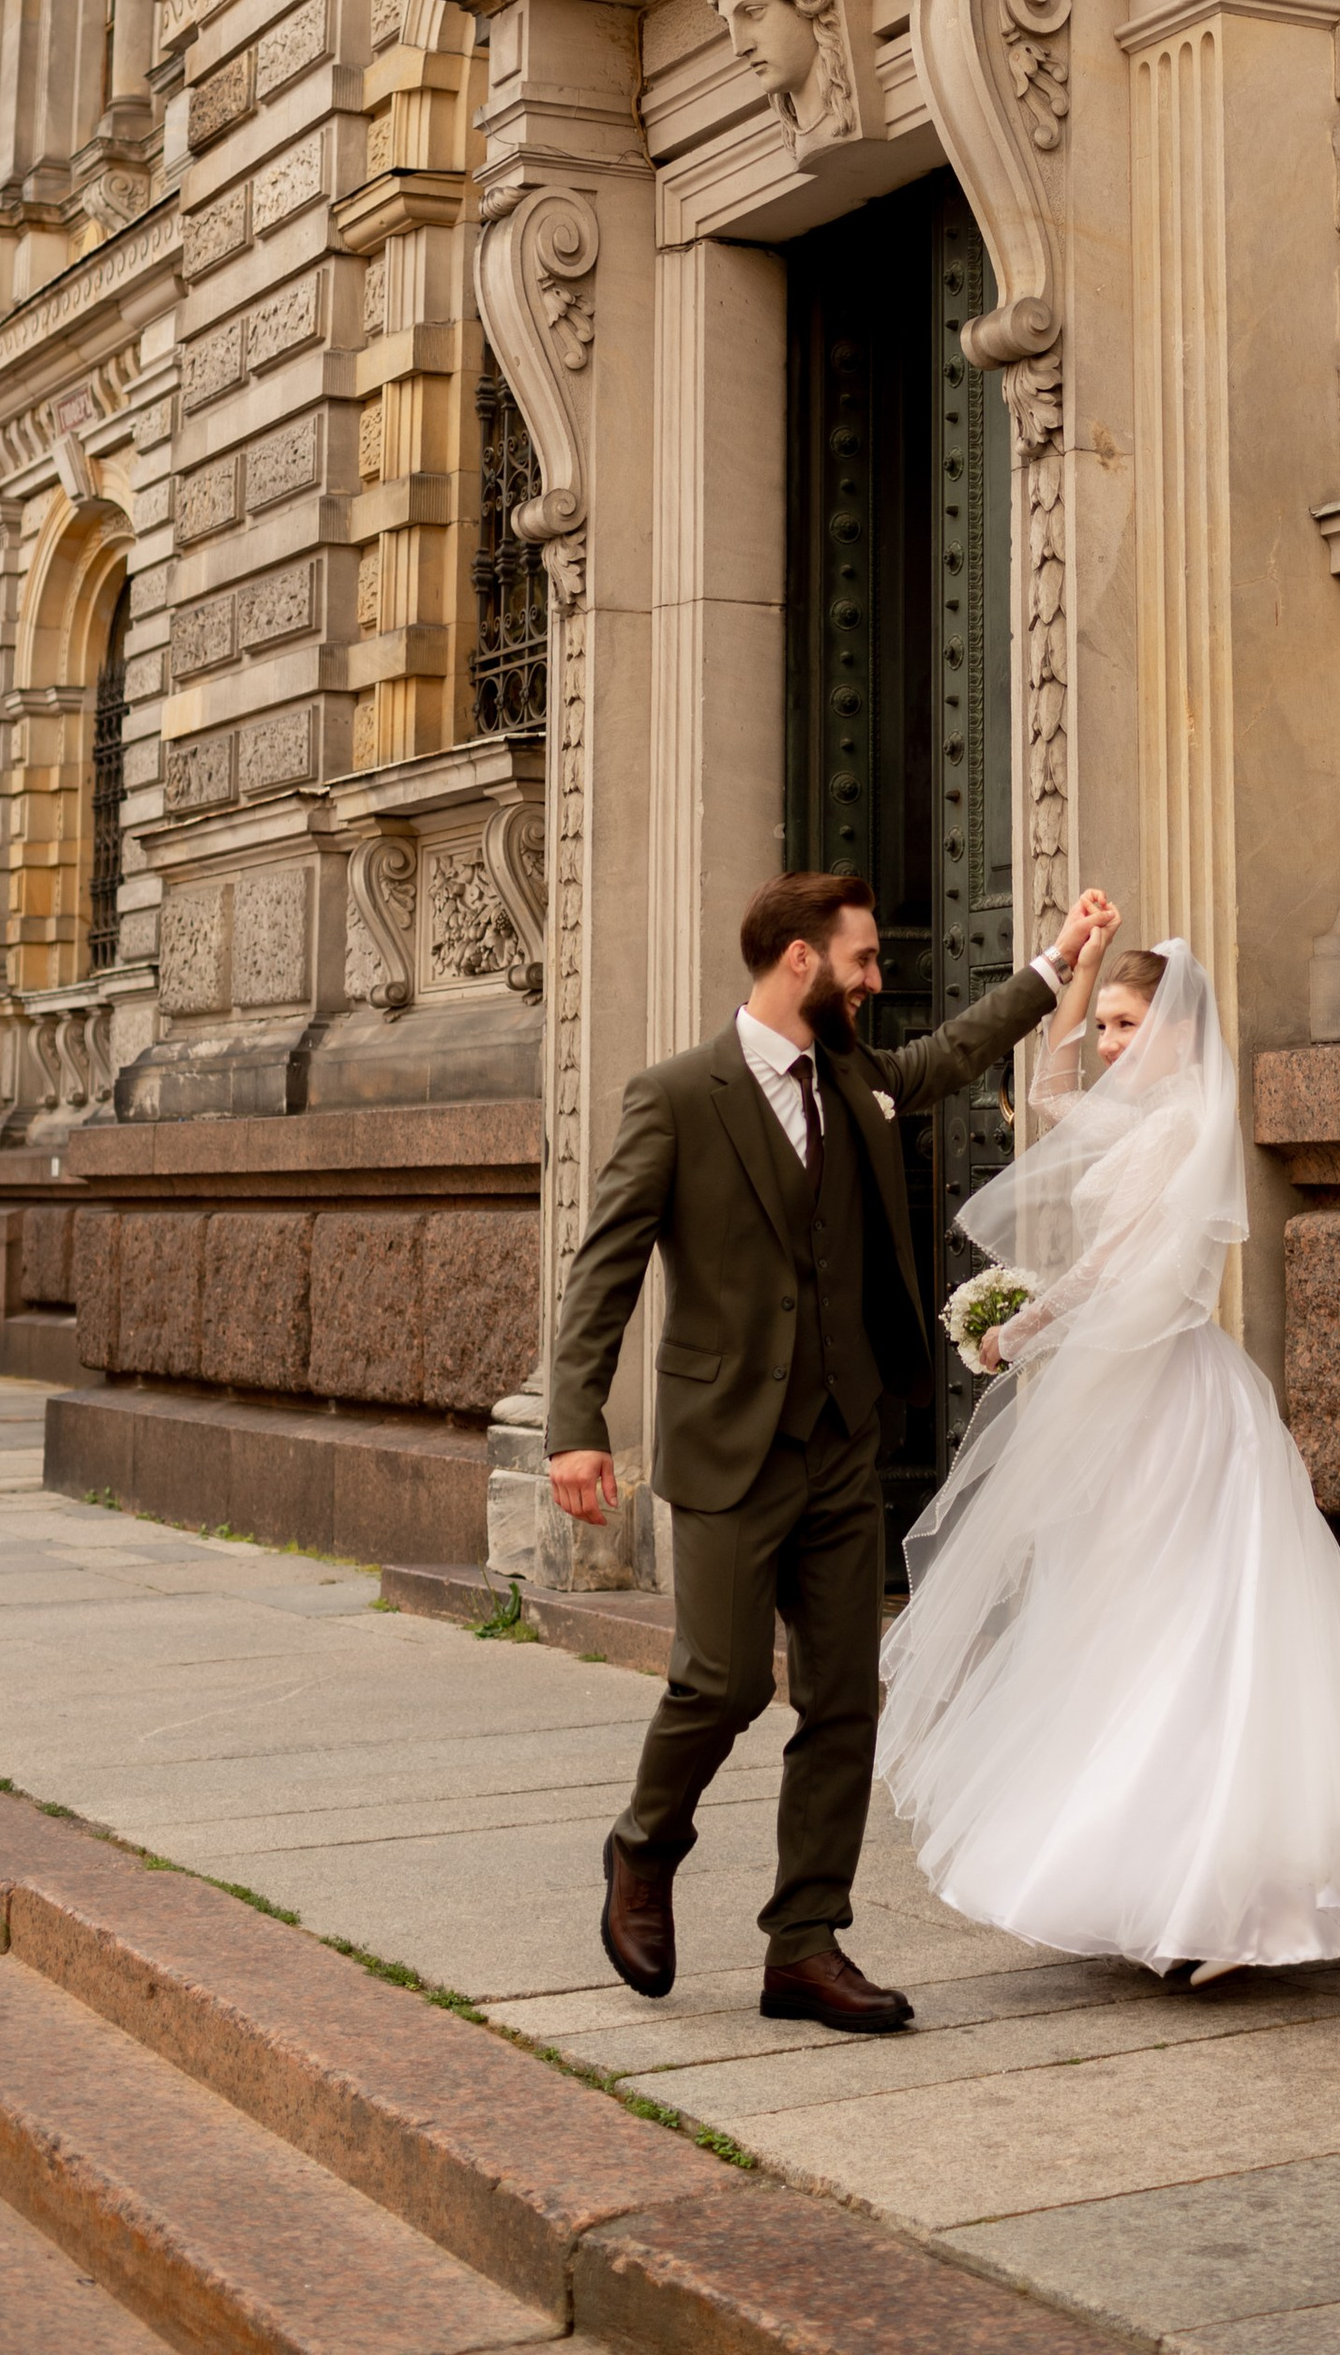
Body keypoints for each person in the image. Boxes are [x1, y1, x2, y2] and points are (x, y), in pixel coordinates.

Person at [876, 932, 1340, 1981]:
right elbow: (1051, 1098)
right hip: (1135, 1394)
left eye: (1127, 1025)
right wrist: (1076, 984)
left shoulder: (1180, 1127)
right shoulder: (1141, 1116)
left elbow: (1107, 1263)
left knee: (1196, 1623)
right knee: (1135, 1622)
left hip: (1173, 1403)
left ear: (1180, 1028)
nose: (1105, 1045)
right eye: (1106, 1027)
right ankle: (1173, 1874)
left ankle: (1238, 1896)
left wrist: (1022, 1326)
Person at [545, 868, 1119, 2034]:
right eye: (860, 960)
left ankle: (804, 1943)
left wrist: (1058, 966)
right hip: (725, 1442)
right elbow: (604, 1271)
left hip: (841, 1440)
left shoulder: (854, 1076)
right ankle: (644, 1845)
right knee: (723, 1679)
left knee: (845, 1695)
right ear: (798, 959)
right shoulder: (673, 1097)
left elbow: (949, 1055)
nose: (875, 978)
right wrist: (574, 1429)